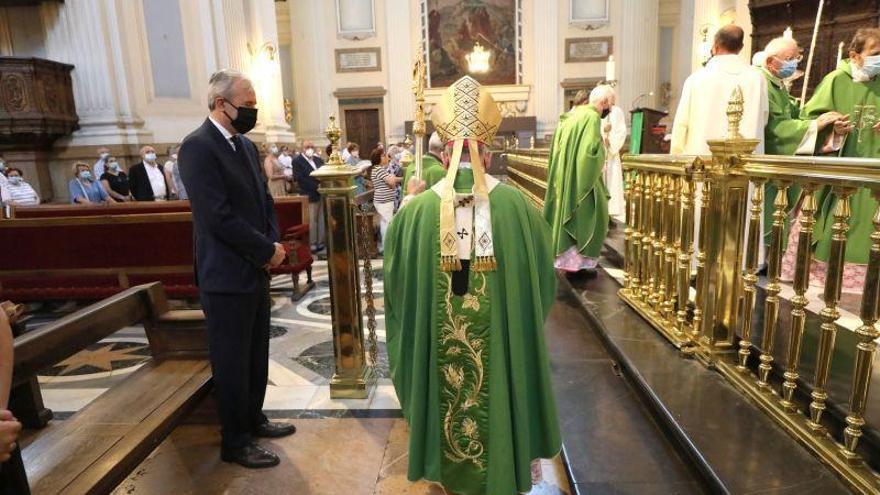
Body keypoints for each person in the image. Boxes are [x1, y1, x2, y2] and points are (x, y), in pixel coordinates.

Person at [383, 76, 561, 495]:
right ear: (489, 149)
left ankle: (445, 471)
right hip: (500, 361)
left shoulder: (415, 214)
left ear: (445, 153)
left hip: (439, 362)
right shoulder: (517, 208)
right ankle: (503, 458)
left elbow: (396, 291)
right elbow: (542, 282)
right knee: (495, 388)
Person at [179, 69, 294, 470]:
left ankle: (254, 419)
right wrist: (265, 250)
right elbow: (217, 218)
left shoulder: (244, 146)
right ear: (220, 104)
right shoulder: (197, 148)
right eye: (246, 105)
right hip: (225, 275)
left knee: (256, 352)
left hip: (255, 268)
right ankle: (235, 440)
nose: (252, 111)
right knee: (230, 360)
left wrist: (273, 245)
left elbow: (264, 202)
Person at [799, 28, 880, 292]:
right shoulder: (835, 80)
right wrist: (833, 130)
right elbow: (808, 123)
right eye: (876, 53)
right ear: (855, 55)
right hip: (842, 170)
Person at [760, 37, 842, 261]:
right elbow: (776, 130)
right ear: (770, 61)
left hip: (780, 168)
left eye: (797, 58)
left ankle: (769, 260)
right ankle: (762, 261)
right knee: (768, 218)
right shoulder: (761, 83)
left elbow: (795, 116)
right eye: (789, 59)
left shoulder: (776, 84)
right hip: (769, 165)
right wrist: (814, 125)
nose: (795, 64)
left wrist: (825, 125)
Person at [543, 84, 614, 272]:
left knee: (566, 212)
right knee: (595, 211)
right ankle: (580, 263)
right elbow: (589, 154)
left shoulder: (571, 117)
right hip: (579, 178)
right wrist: (603, 151)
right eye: (610, 105)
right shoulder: (592, 117)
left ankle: (567, 261)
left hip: (564, 175)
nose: (610, 110)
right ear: (604, 102)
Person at [672, 24, 768, 155]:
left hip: (702, 164)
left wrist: (676, 159)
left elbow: (681, 126)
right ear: (741, 48)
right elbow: (764, 118)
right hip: (746, 163)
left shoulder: (696, 79)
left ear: (715, 46)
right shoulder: (757, 78)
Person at [292, 139, 325, 253]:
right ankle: (312, 244)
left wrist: (323, 185)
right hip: (309, 194)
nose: (310, 148)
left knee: (321, 219)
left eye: (311, 146)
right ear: (302, 148)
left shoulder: (318, 159)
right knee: (312, 220)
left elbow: (324, 172)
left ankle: (321, 242)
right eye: (307, 146)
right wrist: (317, 186)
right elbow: (299, 178)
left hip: (322, 193)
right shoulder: (297, 161)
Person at [370, 148, 402, 252]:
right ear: (378, 158)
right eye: (383, 155)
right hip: (383, 200)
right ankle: (386, 247)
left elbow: (392, 181)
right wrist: (393, 179)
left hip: (385, 199)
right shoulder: (378, 169)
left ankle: (386, 246)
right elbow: (391, 182)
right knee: (386, 223)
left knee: (386, 222)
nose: (386, 157)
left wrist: (395, 179)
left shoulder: (380, 169)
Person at [602, 92, 627, 219]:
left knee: (612, 179)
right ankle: (601, 206)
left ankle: (613, 207)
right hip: (601, 151)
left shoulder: (618, 112)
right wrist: (602, 134)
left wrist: (611, 142)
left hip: (612, 153)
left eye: (611, 98)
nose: (610, 100)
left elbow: (621, 131)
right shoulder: (600, 111)